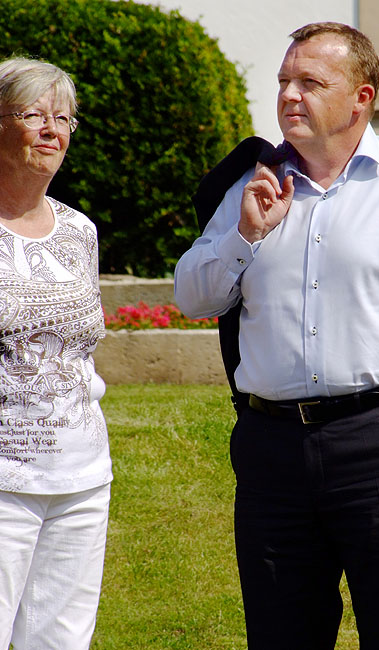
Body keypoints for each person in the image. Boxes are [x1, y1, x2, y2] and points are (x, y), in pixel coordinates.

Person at [174, 21, 379, 650]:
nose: (289, 94)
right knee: (281, 635)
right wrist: (245, 235)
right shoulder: (250, 185)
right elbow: (193, 297)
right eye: (284, 81)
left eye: (310, 82)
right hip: (272, 451)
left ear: (360, 98)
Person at [0, 57, 112, 649]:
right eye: (33, 115)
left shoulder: (79, 231)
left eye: (63, 118)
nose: (52, 130)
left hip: (80, 478)